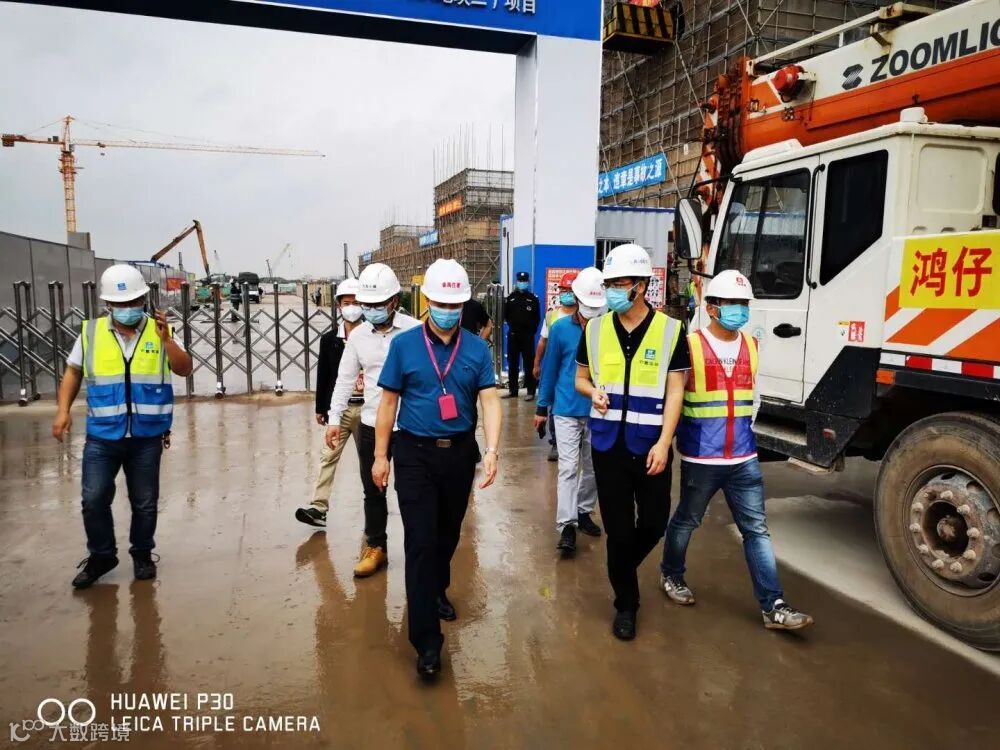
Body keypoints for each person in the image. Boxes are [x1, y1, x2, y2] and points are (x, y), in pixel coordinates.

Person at [660, 270, 813, 630]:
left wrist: (743, 433)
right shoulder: (690, 345)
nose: (739, 310)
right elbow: (674, 397)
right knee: (687, 520)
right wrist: (666, 443)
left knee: (756, 530)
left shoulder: (751, 345)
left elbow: (753, 399)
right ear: (712, 308)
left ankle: (773, 605)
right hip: (702, 456)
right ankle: (671, 574)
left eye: (744, 304)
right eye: (732, 303)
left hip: (743, 457)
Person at [374, 258, 502, 679]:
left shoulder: (477, 349)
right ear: (427, 301)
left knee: (447, 535)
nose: (448, 310)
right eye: (442, 303)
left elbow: (489, 401)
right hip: (414, 453)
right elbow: (388, 403)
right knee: (420, 542)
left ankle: (437, 589)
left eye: (456, 304)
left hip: (459, 454)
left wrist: (493, 450)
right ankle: (427, 642)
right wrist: (380, 456)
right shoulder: (404, 346)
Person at [52, 264, 193, 589]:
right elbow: (73, 372)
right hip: (103, 435)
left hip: (146, 435)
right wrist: (62, 411)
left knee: (145, 502)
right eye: (120, 304)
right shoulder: (91, 333)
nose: (127, 309)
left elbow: (184, 369)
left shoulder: (160, 331)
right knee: (93, 498)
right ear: (107, 304)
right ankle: (102, 555)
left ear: (144, 299)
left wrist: (167, 341)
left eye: (133, 302)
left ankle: (142, 554)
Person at [574, 244, 689, 641]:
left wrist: (665, 442)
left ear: (640, 285)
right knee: (619, 531)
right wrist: (592, 392)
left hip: (651, 445)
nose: (611, 291)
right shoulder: (594, 329)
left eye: (618, 284)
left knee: (655, 523)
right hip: (608, 447)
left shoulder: (671, 330)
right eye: (608, 284)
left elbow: (676, 391)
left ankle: (620, 567)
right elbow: (580, 378)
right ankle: (627, 604)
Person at [326, 263, 420, 577]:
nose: (371, 310)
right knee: (373, 489)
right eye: (367, 305)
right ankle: (376, 547)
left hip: (409, 425)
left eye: (378, 304)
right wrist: (334, 418)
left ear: (394, 301)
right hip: (371, 424)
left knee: (412, 492)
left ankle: (417, 551)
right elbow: (344, 379)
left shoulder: (415, 331)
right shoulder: (358, 337)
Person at [534, 267, 606, 555]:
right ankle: (567, 525)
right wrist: (542, 407)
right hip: (565, 408)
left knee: (593, 467)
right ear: (576, 299)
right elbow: (550, 369)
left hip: (599, 409)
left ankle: (584, 510)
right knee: (567, 467)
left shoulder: (609, 328)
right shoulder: (561, 328)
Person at [295, 279, 365, 528]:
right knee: (329, 456)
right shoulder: (329, 340)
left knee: (369, 463)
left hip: (368, 410)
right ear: (338, 306)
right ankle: (318, 507)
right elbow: (324, 374)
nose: (352, 307)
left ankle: (373, 514)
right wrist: (320, 408)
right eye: (347, 303)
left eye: (356, 302)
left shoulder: (373, 337)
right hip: (340, 411)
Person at [534, 270, 579, 461]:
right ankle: (556, 443)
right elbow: (542, 342)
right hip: (557, 368)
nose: (566, 294)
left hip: (577, 367)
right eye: (563, 290)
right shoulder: (552, 316)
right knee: (556, 404)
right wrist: (537, 364)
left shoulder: (586, 316)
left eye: (570, 290)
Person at [503, 270, 540, 401]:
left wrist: (530, 332)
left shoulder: (533, 299)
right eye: (520, 281)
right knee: (513, 363)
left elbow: (537, 318)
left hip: (527, 336)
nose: (522, 283)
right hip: (513, 336)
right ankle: (513, 390)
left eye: (524, 281)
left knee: (529, 364)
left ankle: (531, 391)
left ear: (528, 282)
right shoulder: (510, 298)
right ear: (517, 281)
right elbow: (506, 316)